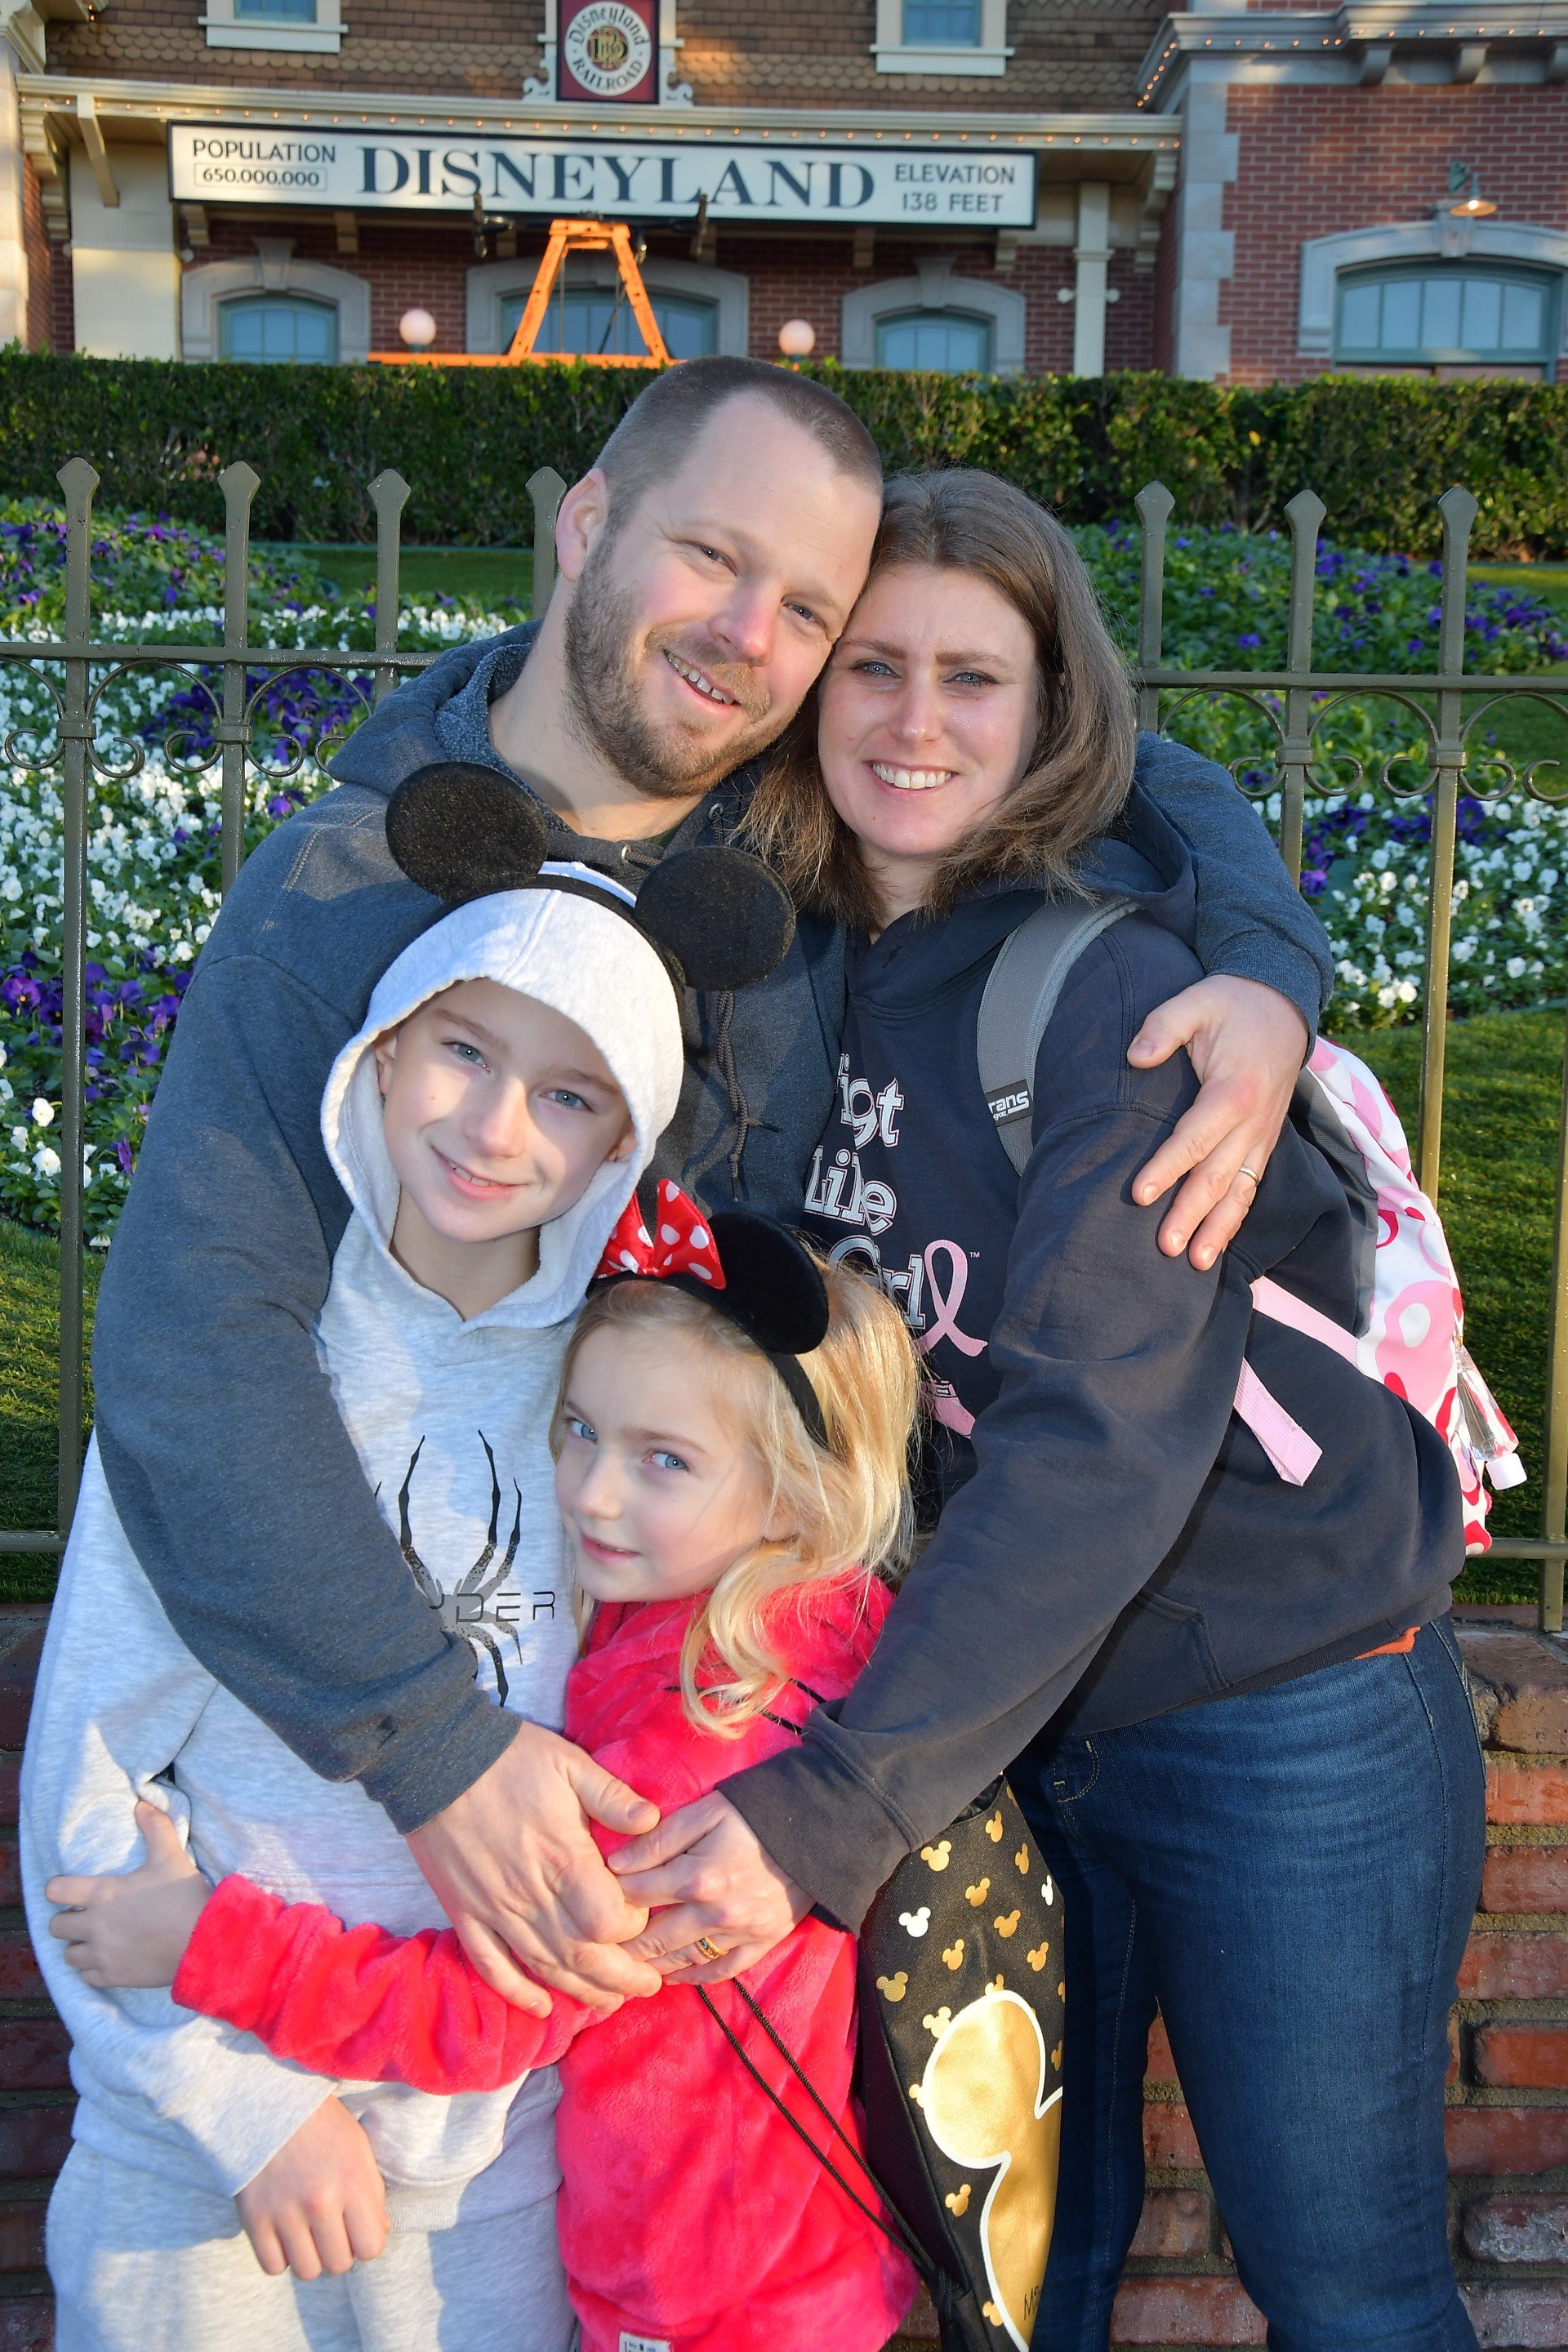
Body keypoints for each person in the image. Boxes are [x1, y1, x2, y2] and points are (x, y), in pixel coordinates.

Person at [89, 354, 1334, 2015]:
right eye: (710, 559)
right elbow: (194, 1343)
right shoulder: (352, 883)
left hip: (733, 1709)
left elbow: (1110, 755)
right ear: (587, 523)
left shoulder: (789, 799)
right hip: (384, 1725)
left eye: (807, 609)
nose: (751, 638)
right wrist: (430, 1745)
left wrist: (1269, 964)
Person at [616, 469, 1484, 2350]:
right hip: (987, 1716)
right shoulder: (786, 969)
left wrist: (829, 1808)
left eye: (974, 680)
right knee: (1019, 2283)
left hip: (1277, 1708)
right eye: (872, 669)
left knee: (1344, 2287)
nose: (916, 724)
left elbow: (1100, 1443)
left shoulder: (1116, 995)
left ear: (1051, 710)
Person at [22, 864, 689, 2351]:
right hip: (203, 2172)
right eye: (463, 1050)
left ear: (622, 1147)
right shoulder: (233, 1375)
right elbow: (88, 1790)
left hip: (494, 2181)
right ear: (380, 1052)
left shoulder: (617, 1403)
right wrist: (242, 2111)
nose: (495, 1126)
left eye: (572, 1096)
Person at [46, 1227, 924, 2352]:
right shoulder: (780, 1631)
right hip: (769, 2256)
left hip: (699, 2294)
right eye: (578, 1430)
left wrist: (210, 1946)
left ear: (792, 1499)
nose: (592, 1493)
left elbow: (497, 2006)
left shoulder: (700, 1740)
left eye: (665, 1459)